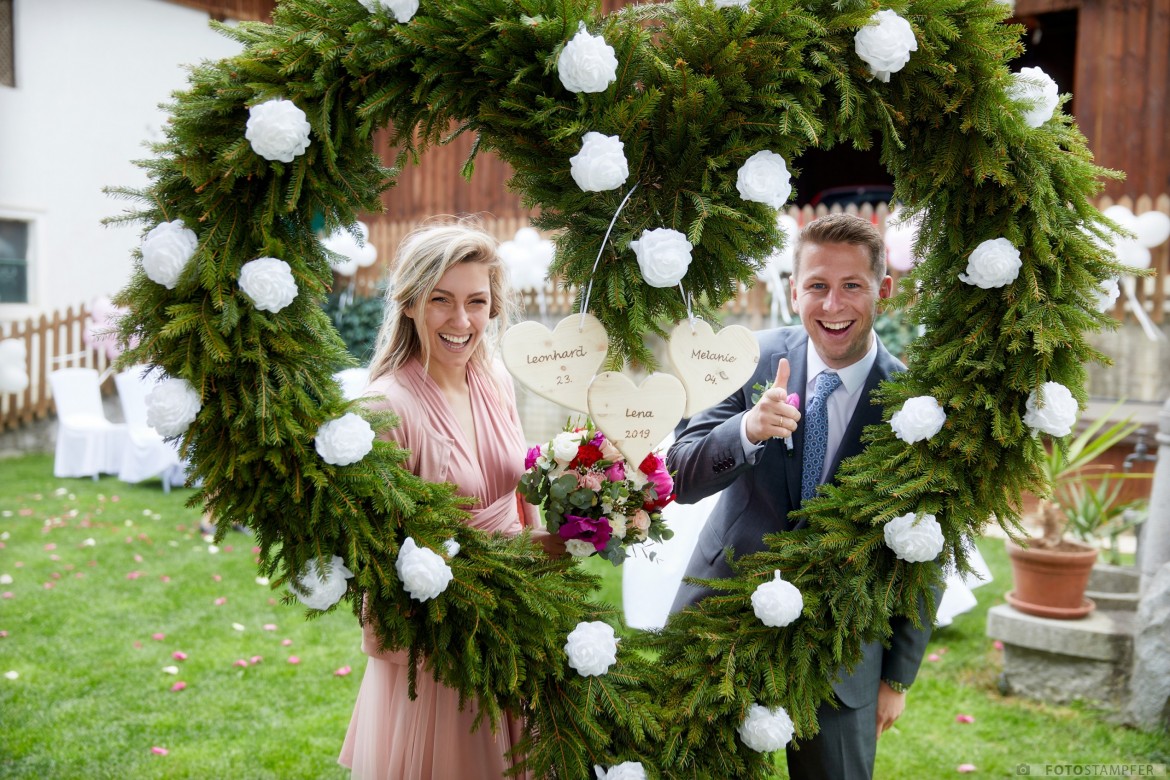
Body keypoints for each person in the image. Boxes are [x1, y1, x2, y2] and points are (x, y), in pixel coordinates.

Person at [667, 213, 934, 779]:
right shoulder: (748, 358)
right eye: (817, 285)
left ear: (882, 290)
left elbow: (926, 548)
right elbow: (680, 475)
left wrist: (896, 677)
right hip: (724, 620)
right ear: (794, 290)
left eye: (851, 286)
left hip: (843, 653)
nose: (832, 305)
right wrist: (746, 429)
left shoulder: (914, 404)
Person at [338, 220, 560, 779]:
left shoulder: (496, 382)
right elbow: (380, 559)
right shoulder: (384, 409)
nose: (461, 321)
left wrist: (552, 541)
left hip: (514, 619)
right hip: (439, 644)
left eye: (476, 302)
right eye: (441, 301)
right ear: (410, 304)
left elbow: (519, 492)